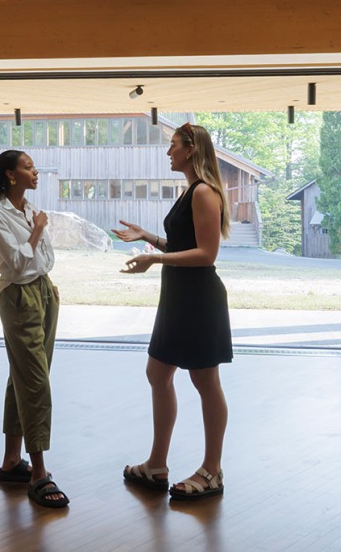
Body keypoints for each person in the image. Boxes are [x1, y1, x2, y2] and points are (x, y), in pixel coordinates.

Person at [114, 121, 232, 501]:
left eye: (173, 145)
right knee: (158, 372)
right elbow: (184, 243)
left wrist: (156, 258)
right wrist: (149, 238)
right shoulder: (190, 192)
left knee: (204, 382)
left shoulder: (204, 193)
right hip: (180, 295)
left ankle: (212, 471)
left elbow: (207, 254)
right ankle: (157, 465)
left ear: (192, 149)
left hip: (198, 298)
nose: (169, 152)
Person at [0, 149, 67, 509]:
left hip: (44, 291)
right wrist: (37, 231)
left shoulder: (31, 210)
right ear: (10, 175)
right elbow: (17, 265)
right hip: (18, 296)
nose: (36, 172)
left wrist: (45, 280)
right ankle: (39, 473)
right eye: (28, 167)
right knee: (35, 381)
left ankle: (12, 462)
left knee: (25, 375)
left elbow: (43, 259)